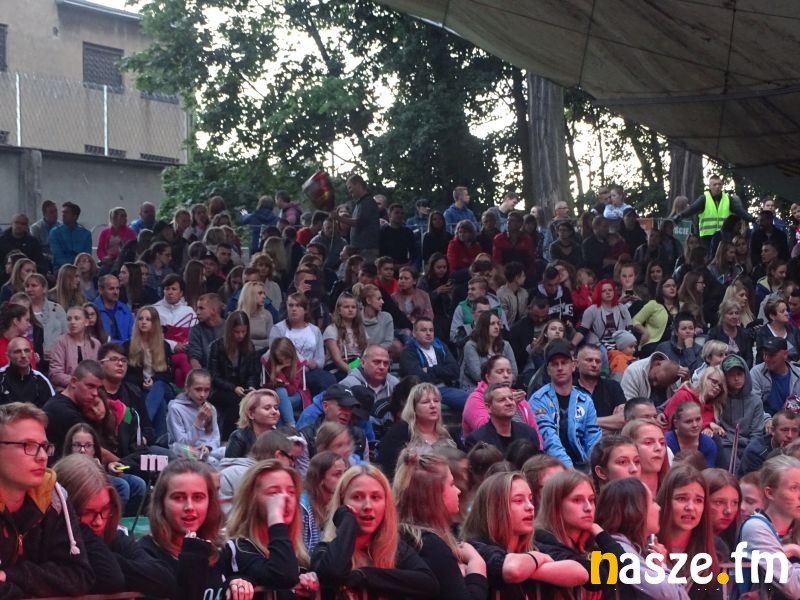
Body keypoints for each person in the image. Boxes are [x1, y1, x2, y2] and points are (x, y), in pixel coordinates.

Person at [0, 402, 94, 596]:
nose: (42, 456)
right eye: (28, 445)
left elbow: (79, 576)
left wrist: (14, 576)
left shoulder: (53, 497)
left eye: (44, 446)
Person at [311, 464, 439, 599]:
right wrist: (346, 520)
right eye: (357, 497)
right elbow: (332, 573)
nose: (367, 506)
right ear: (342, 503)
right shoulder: (324, 551)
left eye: (375, 497)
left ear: (386, 504)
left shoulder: (395, 549)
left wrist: (364, 575)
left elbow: (429, 584)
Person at [53, 452, 171, 596]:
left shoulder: (113, 535)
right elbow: (111, 578)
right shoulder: (48, 547)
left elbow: (163, 578)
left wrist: (108, 557)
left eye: (105, 509)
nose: (98, 521)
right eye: (87, 512)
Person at [138, 458, 255, 600]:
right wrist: (192, 554)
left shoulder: (220, 549)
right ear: (161, 503)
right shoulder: (144, 555)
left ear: (210, 501)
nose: (189, 507)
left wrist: (236, 582)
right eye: (178, 497)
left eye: (198, 497)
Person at [463, 472, 588, 599]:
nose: (588, 508)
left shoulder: (591, 543)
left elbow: (591, 575)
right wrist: (536, 560)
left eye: (592, 500)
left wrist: (598, 536)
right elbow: (513, 569)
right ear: (556, 505)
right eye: (577, 500)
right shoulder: (543, 536)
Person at [393, 449, 488, 600]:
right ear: (434, 495)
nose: (458, 491)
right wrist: (476, 564)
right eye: (451, 484)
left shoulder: (403, 535)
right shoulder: (431, 546)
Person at [225, 459, 317, 596]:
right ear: (252, 500)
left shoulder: (298, 555)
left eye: (291, 492)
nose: (285, 498)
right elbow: (283, 576)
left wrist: (310, 583)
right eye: (274, 493)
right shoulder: (238, 548)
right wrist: (275, 516)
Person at [595, 478, 690, 599]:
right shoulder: (620, 550)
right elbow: (675, 596)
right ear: (635, 510)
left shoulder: (631, 547)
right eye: (652, 501)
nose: (658, 508)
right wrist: (662, 567)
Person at [528, 340, 602, 471]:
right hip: (550, 466)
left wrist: (594, 469)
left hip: (584, 466)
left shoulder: (585, 400)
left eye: (564, 362)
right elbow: (549, 439)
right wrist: (570, 471)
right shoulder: (538, 399)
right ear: (548, 370)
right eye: (555, 364)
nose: (560, 368)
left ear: (573, 366)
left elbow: (593, 438)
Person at [737, 455, 800, 597]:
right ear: (770, 493)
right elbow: (795, 588)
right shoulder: (755, 527)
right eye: (794, 488)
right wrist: (797, 551)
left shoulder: (796, 527)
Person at [655, 465, 721, 590]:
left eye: (698, 500)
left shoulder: (711, 553)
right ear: (666, 501)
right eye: (682, 499)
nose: (690, 507)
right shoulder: (647, 548)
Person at [377, 382, 456, 480]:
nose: (433, 405)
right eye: (425, 402)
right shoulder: (399, 433)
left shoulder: (450, 434)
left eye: (436, 401)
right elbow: (389, 471)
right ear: (413, 408)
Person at [208, 311, 261, 440]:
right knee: (237, 403)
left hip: (241, 388)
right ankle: (228, 439)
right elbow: (213, 376)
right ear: (230, 330)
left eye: (244, 332)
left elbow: (252, 373)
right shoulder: (217, 346)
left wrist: (251, 386)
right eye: (237, 332)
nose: (241, 335)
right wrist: (233, 388)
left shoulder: (249, 346)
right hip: (219, 389)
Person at [269, 293, 336, 395]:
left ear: (305, 310)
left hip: (310, 372)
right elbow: (273, 356)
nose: (294, 309)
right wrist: (301, 363)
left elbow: (320, 360)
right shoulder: (278, 329)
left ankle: (321, 403)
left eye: (298, 306)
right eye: (291, 305)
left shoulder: (315, 330)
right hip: (288, 373)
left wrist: (315, 364)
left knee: (329, 379)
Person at [124, 306, 174, 441]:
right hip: (139, 388)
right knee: (161, 403)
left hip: (161, 387)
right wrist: (142, 383)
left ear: (155, 323)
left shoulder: (164, 346)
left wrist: (154, 380)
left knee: (159, 386)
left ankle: (139, 426)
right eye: (140, 319)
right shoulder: (128, 346)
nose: (143, 322)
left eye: (148, 319)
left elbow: (168, 374)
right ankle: (160, 441)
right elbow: (127, 375)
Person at [462, 355, 539, 440]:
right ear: (488, 377)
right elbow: (485, 431)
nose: (506, 375)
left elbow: (535, 433)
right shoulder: (476, 399)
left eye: (509, 372)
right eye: (500, 372)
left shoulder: (519, 398)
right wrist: (508, 405)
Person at [400, 318, 468, 411]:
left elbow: (455, 371)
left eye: (431, 330)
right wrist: (442, 373)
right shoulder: (408, 351)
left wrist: (428, 369)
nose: (428, 333)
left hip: (444, 388)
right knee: (468, 400)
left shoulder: (440, 346)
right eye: (424, 330)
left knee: (473, 399)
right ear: (414, 333)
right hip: (422, 391)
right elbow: (416, 377)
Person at [673, 174, 755, 243]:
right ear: (710, 186)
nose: (717, 186)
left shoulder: (728, 199)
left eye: (719, 184)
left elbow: (740, 211)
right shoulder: (704, 198)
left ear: (722, 186)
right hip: (707, 237)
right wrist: (681, 215)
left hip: (724, 236)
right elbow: (692, 209)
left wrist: (752, 219)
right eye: (714, 185)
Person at [465, 383, 541, 454]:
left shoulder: (528, 432)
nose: (509, 403)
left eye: (511, 398)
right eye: (502, 400)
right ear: (488, 407)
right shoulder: (477, 440)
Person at [299, 384, 368, 460]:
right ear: (325, 406)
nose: (347, 413)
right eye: (342, 407)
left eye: (350, 408)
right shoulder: (307, 438)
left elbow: (365, 466)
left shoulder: (360, 437)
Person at [166, 368, 220, 460]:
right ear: (187, 388)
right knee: (179, 448)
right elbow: (181, 444)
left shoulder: (211, 409)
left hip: (208, 452)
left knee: (226, 450)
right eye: (198, 389)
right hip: (185, 453)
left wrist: (208, 448)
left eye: (206, 390)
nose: (202, 394)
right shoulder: (176, 408)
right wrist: (198, 421)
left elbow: (216, 439)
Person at [153, 274, 197, 388]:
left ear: (181, 293)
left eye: (174, 289)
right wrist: (173, 346)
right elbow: (151, 336)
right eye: (167, 289)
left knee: (178, 373)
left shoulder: (189, 312)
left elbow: (194, 335)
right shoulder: (154, 310)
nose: (170, 292)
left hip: (185, 351)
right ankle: (196, 386)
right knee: (182, 359)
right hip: (161, 353)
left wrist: (185, 346)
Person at [302, 450, 347, 554]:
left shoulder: (344, 503)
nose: (344, 479)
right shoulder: (303, 508)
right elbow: (301, 554)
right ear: (320, 478)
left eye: (345, 473)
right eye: (337, 474)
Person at [460, 311, 517, 390]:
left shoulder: (505, 345)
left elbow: (514, 372)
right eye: (492, 324)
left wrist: (502, 383)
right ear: (483, 326)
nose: (496, 327)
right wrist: (501, 381)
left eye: (498, 324)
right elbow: (477, 375)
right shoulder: (471, 346)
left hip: (503, 388)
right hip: (475, 388)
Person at [332, 175, 380, 264]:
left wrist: (338, 217)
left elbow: (359, 222)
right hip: (361, 250)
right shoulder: (361, 203)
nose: (349, 191)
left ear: (358, 184)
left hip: (367, 250)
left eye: (350, 187)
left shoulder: (367, 202)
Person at [573, 278, 632, 349]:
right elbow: (582, 331)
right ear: (598, 293)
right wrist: (572, 346)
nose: (608, 292)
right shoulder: (591, 310)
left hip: (620, 345)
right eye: (604, 291)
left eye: (610, 290)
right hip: (599, 346)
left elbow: (629, 329)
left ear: (614, 292)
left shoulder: (622, 308)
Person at [738, 409, 800, 475]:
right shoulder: (756, 451)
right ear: (772, 430)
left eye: (794, 430)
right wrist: (779, 455)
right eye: (785, 430)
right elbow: (757, 480)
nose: (790, 435)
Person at [225, 389, 281, 458]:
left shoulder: (280, 437)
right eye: (267, 408)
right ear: (251, 414)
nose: (274, 411)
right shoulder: (239, 437)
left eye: (276, 408)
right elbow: (229, 464)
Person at [750, 337, 800, 416]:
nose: (766, 358)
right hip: (765, 421)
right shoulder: (756, 373)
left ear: (785, 355)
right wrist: (767, 420)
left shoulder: (798, 373)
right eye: (765, 354)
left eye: (771, 355)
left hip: (793, 420)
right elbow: (754, 406)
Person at [621, 419, 669, 497]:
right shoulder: (619, 496)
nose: (659, 448)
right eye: (648, 442)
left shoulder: (675, 489)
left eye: (662, 443)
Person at [25, 272, 67, 359]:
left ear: (44, 289)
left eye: (34, 285)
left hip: (57, 357)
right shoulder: (23, 311)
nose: (29, 289)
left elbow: (66, 334)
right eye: (27, 286)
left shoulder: (57, 309)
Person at [666, 402, 718, 468]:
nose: (695, 425)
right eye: (688, 421)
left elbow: (708, 472)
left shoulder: (708, 444)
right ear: (676, 423)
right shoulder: (665, 442)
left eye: (698, 419)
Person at [49, 201, 92, 270]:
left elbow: (86, 255)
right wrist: (73, 268)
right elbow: (58, 256)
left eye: (66, 213)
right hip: (61, 269)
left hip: (81, 268)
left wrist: (78, 267)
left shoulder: (86, 234)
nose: (63, 215)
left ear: (75, 216)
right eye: (63, 212)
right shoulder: (55, 232)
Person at [93, 275, 134, 343]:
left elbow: (132, 335)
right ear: (100, 290)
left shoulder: (125, 309)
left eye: (117, 288)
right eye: (111, 289)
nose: (116, 292)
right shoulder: (93, 310)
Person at [356, 283, 395, 350]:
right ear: (368, 301)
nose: (382, 302)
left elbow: (388, 342)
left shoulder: (386, 317)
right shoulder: (355, 318)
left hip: (379, 354)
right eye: (378, 299)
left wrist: (372, 351)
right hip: (358, 354)